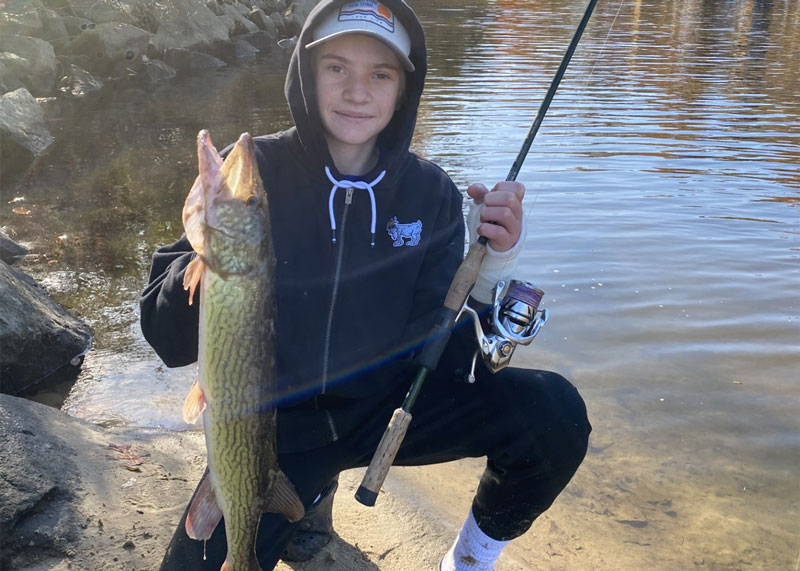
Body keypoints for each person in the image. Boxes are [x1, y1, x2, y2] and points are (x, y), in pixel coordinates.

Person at [139, 0, 591, 569]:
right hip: (275, 431)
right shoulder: (249, 174)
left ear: (404, 88)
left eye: (380, 73)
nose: (358, 91)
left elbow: (446, 358)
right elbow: (164, 338)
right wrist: (205, 266)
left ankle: (469, 560)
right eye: (337, 68)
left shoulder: (431, 194)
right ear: (306, 73)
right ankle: (309, 495)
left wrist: (495, 263)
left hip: (388, 413)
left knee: (554, 414)